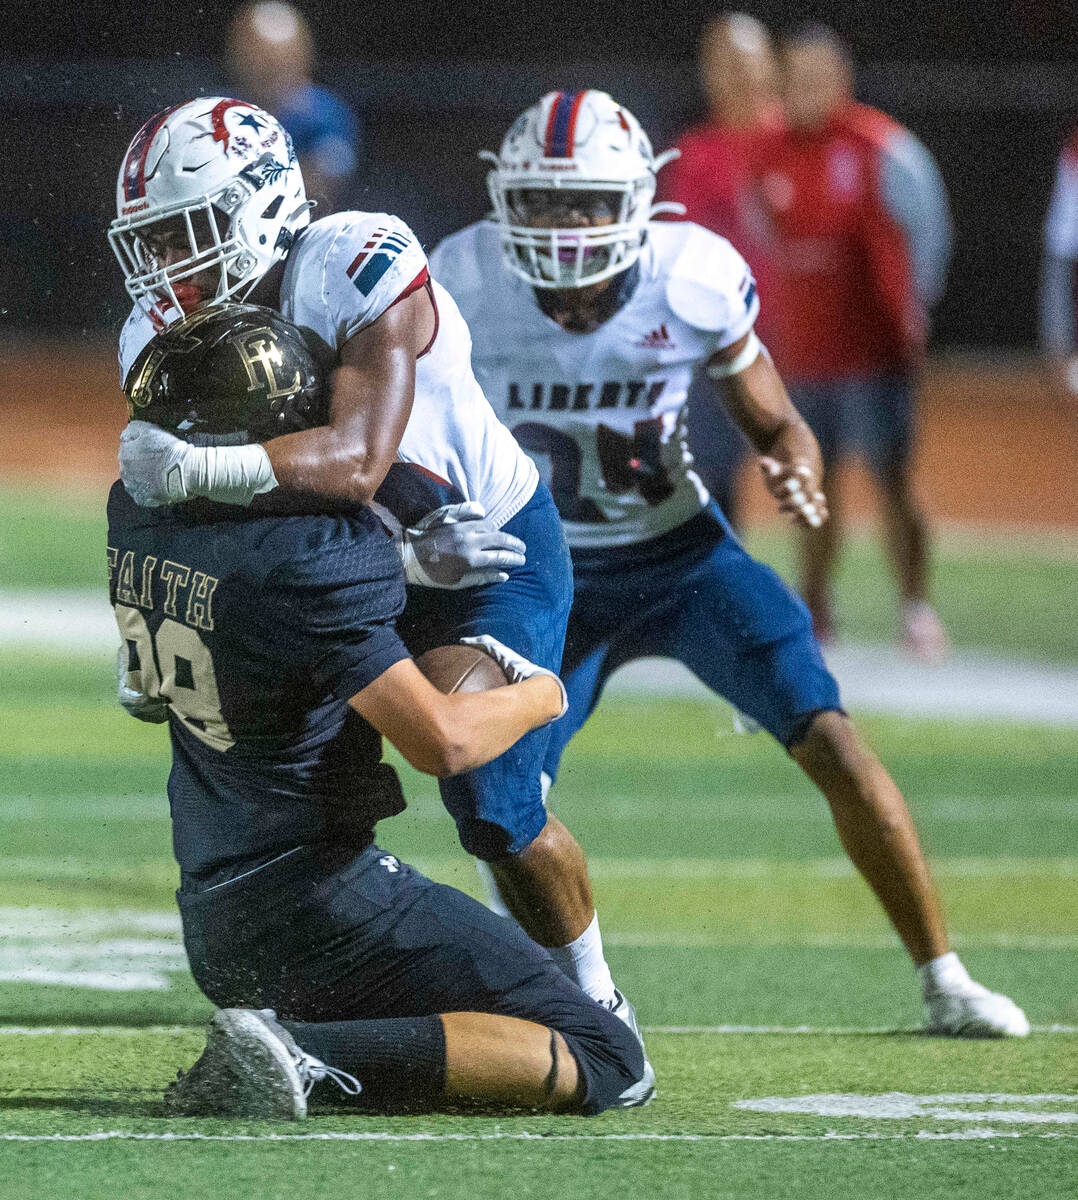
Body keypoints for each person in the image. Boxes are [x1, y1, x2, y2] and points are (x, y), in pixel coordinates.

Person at [428, 88, 1028, 1038]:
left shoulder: (691, 275)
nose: (566, 224)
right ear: (507, 198)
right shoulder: (459, 279)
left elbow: (776, 420)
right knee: (506, 805)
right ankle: (569, 998)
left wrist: (796, 463)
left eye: (587, 201)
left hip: (683, 555)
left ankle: (945, 976)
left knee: (831, 737)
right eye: (545, 200)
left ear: (638, 199)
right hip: (548, 577)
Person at [109, 96, 649, 1096]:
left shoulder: (353, 260)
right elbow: (181, 524)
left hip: (480, 558)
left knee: (487, 801)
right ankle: (329, 976)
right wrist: (147, 626)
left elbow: (357, 463)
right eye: (148, 245)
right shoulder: (161, 324)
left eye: (185, 235)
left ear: (264, 205)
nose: (166, 272)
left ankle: (595, 998)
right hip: (355, 567)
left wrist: (194, 471)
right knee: (279, 779)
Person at [752, 24, 953, 658]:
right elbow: (758, 241)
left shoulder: (882, 148)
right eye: (795, 76)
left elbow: (928, 233)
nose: (805, 89)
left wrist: (913, 315)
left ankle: (916, 607)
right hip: (805, 354)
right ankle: (816, 607)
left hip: (874, 354)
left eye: (818, 77)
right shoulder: (768, 152)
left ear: (841, 80)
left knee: (893, 481)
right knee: (814, 481)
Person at [661, 12, 782, 523]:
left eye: (744, 62)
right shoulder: (694, 152)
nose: (733, 76)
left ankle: (818, 599)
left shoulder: (798, 141)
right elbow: (677, 250)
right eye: (721, 64)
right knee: (711, 470)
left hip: (803, 340)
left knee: (829, 470)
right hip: (722, 341)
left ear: (770, 67)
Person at [227, 1, 359, 212]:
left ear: (302, 56)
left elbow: (323, 187)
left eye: (276, 61)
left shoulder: (324, 114)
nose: (266, 70)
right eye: (257, 59)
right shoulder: (226, 113)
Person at [1040, 125, 1078, 395]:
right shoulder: (1072, 149)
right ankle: (1058, 368)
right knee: (1057, 304)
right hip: (1063, 238)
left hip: (1063, 237)